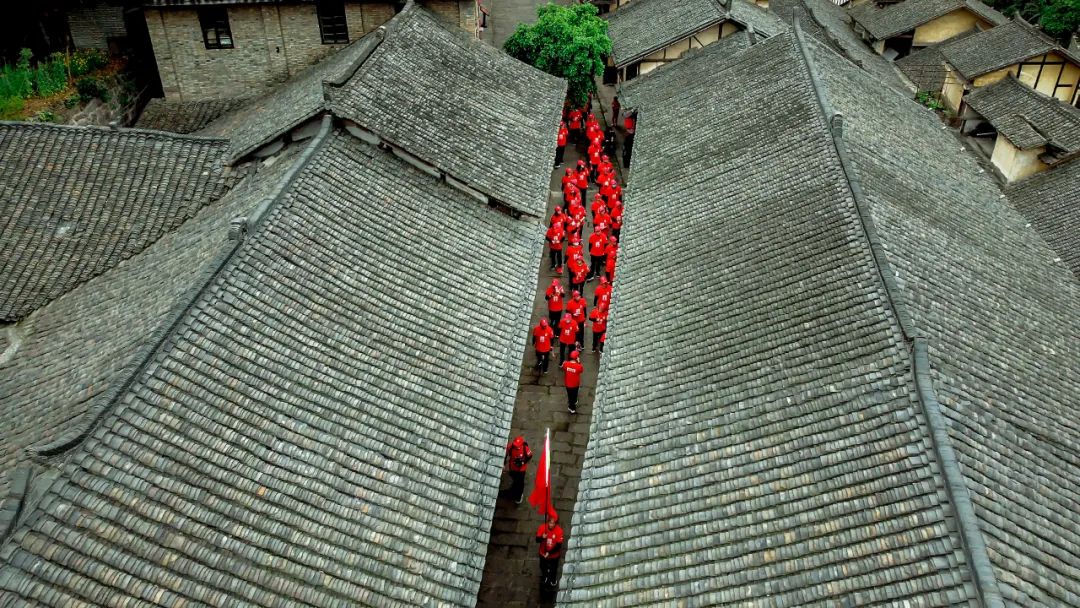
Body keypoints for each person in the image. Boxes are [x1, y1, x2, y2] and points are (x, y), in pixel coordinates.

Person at [536, 515, 564, 588]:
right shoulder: (542, 528)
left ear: (556, 523)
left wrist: (549, 552)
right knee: (542, 567)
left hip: (554, 556)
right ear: (548, 522)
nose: (551, 525)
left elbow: (558, 546)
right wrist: (542, 537)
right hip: (542, 553)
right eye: (550, 522)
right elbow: (537, 540)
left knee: (553, 569)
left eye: (553, 523)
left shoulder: (559, 531)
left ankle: (552, 580)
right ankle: (545, 576)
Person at [505, 436, 532, 503]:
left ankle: (519, 497)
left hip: (521, 470)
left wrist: (522, 462)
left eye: (517, 445)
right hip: (512, 468)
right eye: (515, 445)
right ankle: (513, 489)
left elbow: (529, 456)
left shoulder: (525, 448)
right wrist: (504, 463)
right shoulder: (511, 447)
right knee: (514, 479)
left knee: (520, 483)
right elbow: (506, 454)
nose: (516, 446)